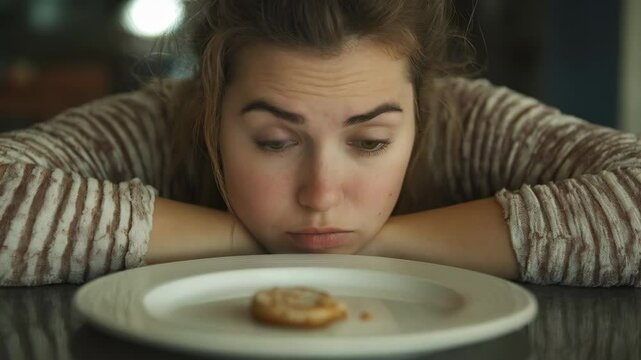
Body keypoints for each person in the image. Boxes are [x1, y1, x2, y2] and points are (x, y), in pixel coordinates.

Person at [0, 0, 639, 287]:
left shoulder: (466, 118)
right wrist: (232, 237)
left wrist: (383, 243)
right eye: (276, 141)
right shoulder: (162, 119)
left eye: (369, 143)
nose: (321, 195)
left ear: (421, 106)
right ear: (211, 107)